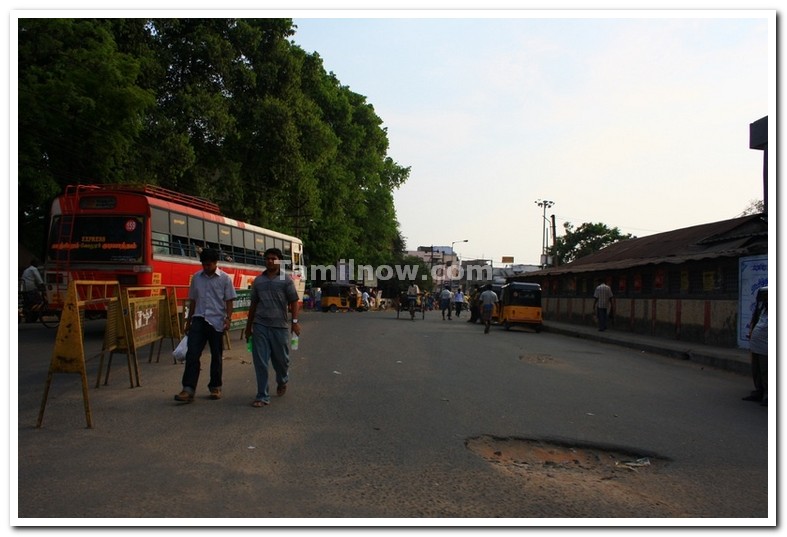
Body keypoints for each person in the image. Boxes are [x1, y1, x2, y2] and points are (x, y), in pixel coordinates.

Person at [174, 248, 237, 403]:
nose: (206, 267)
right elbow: (193, 301)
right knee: (192, 355)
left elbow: (229, 301)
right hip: (199, 320)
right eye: (204, 264)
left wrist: (228, 319)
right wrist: (188, 322)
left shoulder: (225, 279)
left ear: (215, 263)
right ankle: (188, 389)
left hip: (216, 322)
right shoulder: (196, 278)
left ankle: (215, 386)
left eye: (209, 264)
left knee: (216, 356)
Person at [245, 248, 301, 408]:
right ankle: (262, 395)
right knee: (260, 362)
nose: (270, 261)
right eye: (267, 258)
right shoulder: (258, 281)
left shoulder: (286, 280)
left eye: (273, 258)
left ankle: (282, 380)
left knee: (281, 361)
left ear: (279, 261)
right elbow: (253, 304)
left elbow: (294, 302)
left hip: (280, 326)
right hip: (260, 325)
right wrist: (249, 328)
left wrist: (294, 322)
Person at [743, 286, 768, 406]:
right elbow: (755, 322)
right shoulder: (761, 309)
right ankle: (759, 391)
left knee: (766, 370)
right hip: (756, 346)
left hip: (767, 347)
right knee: (756, 370)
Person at [21, 258, 45, 322]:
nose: (37, 264)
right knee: (39, 300)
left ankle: (29, 312)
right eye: (37, 263)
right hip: (30, 288)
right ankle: (32, 311)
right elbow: (38, 279)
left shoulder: (27, 269)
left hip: (24, 288)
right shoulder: (34, 269)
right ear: (34, 263)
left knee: (28, 302)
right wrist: (42, 285)